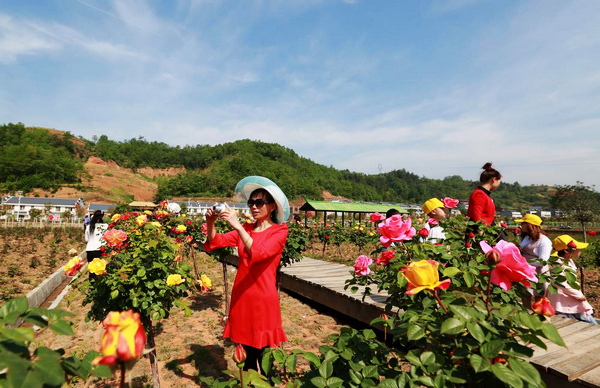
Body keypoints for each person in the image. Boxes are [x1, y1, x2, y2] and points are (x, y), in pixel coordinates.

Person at [204, 176, 290, 371]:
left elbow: (259, 254)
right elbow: (215, 241)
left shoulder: (279, 231)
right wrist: (210, 222)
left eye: (259, 202)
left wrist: (238, 225)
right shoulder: (248, 229)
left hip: (263, 300)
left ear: (273, 206)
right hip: (243, 297)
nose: (253, 206)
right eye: (251, 202)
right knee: (247, 359)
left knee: (265, 357)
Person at [548, 235, 596, 325]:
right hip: (564, 299)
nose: (579, 250)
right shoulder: (559, 264)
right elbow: (560, 282)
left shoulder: (568, 261)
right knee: (565, 322)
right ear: (566, 251)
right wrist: (578, 295)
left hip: (569, 298)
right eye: (577, 248)